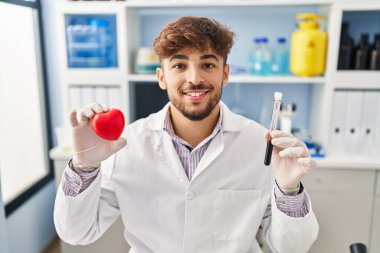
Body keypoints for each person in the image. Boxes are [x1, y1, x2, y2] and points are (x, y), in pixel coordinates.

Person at [54, 16, 318, 253]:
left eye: (208, 65)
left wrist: (289, 191)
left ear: (225, 74)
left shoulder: (261, 145)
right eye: (179, 66)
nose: (194, 78)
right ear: (161, 77)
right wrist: (84, 167)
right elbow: (77, 232)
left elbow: (292, 248)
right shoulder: (127, 144)